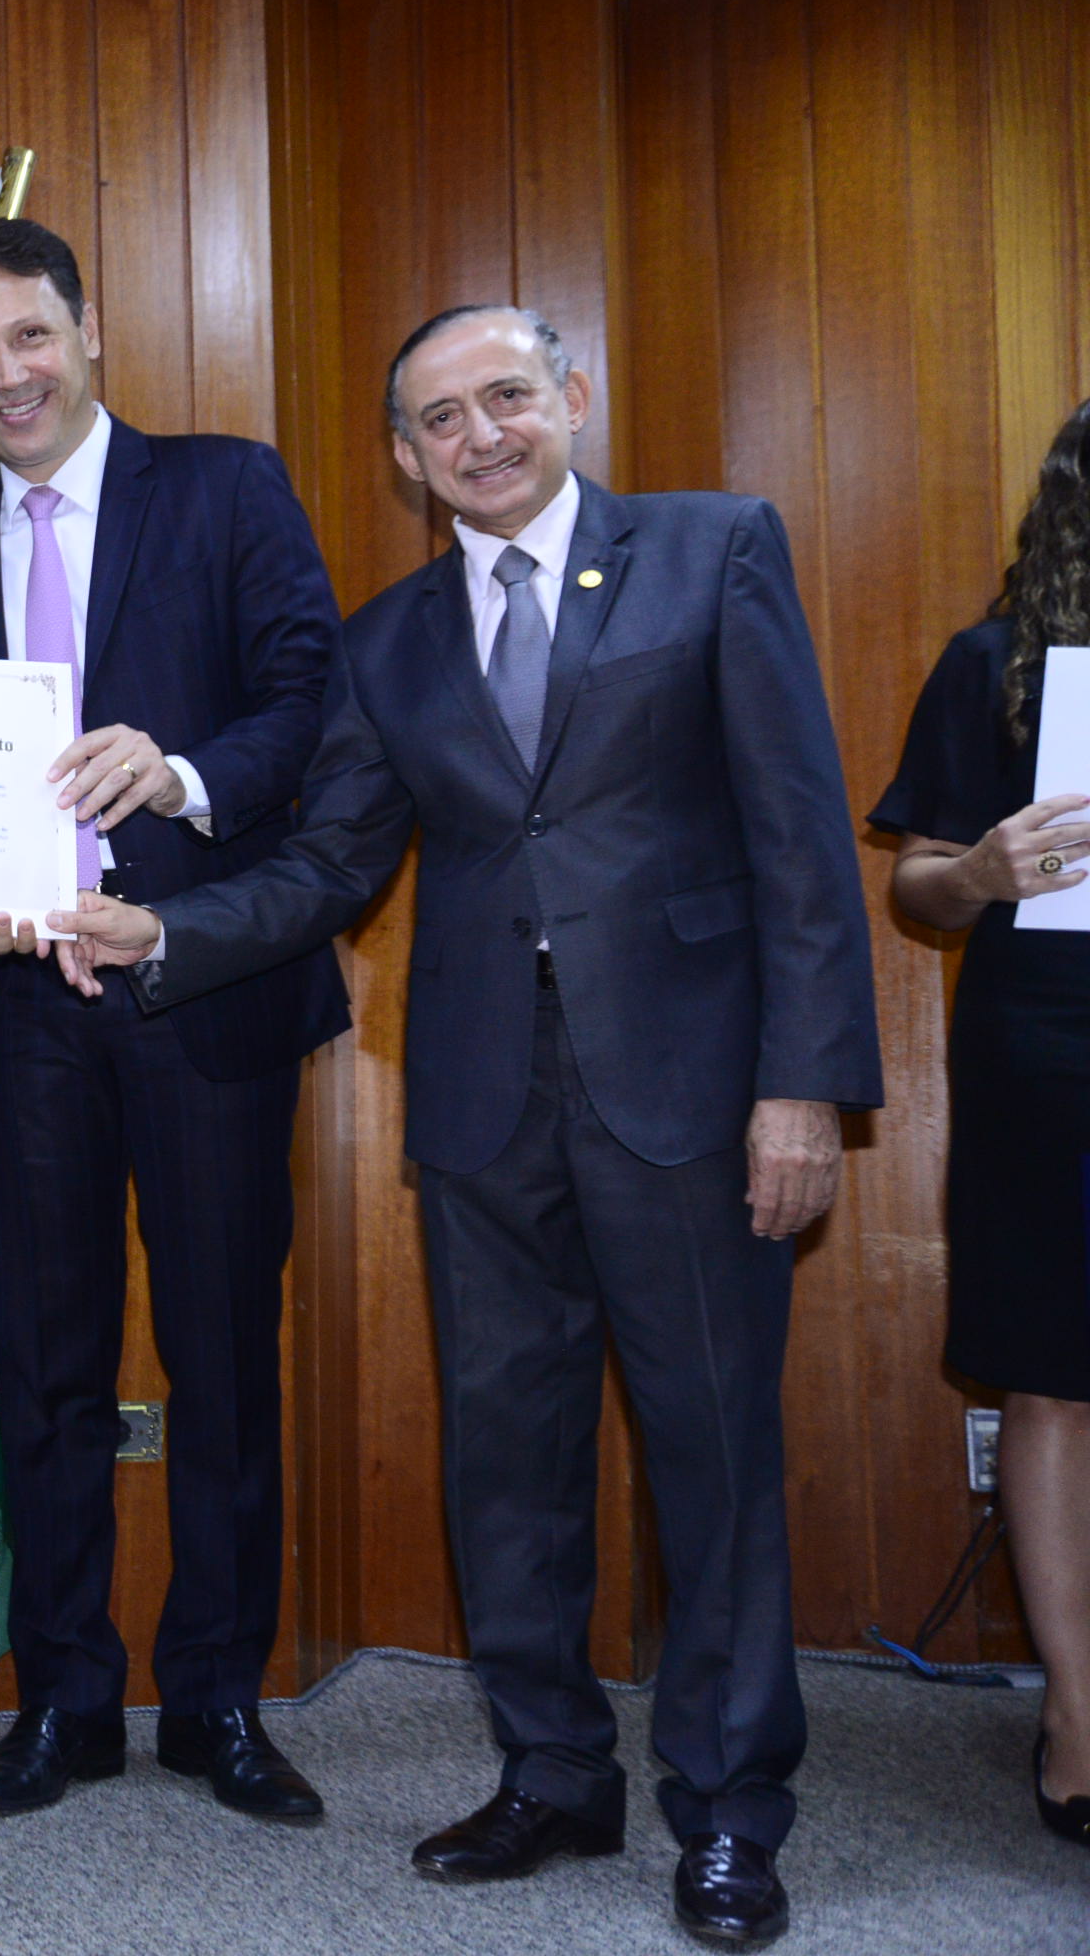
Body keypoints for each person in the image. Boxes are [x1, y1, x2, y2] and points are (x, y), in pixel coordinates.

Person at [63, 306, 881, 1948]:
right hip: (482, 1099)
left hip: (692, 1091)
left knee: (712, 1452)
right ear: (406, 458)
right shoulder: (393, 639)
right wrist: (168, 932)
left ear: (570, 396)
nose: (480, 435)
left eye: (505, 397)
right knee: (508, 1455)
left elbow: (800, 833)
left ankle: (731, 1807)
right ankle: (553, 1771)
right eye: (439, 420)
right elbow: (333, 862)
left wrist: (804, 1085)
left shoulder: (712, 550)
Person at [0, 218, 346, 1824]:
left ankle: (218, 1699)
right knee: (47, 1360)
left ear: (88, 330)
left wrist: (183, 774)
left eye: (30, 335)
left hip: (199, 986)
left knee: (223, 1360)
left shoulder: (225, 487)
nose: (7, 372)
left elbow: (312, 698)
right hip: (23, 1011)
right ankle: (65, 1701)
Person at [868, 395, 1090, 1852]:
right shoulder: (995, 664)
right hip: (1051, 1057)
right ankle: (1079, 1717)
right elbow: (916, 887)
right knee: (1057, 1381)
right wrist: (987, 871)